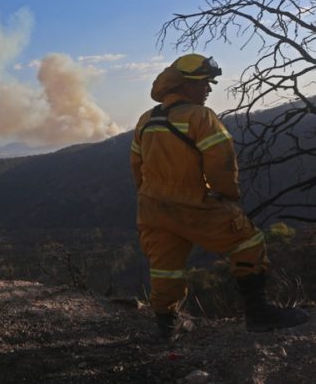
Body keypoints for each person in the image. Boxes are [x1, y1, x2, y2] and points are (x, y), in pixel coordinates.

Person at [130, 53, 309, 338]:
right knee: (248, 241)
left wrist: (149, 195)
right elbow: (221, 163)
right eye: (205, 83)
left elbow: (137, 166)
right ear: (187, 85)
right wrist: (228, 197)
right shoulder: (201, 117)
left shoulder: (146, 120)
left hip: (151, 206)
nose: (209, 89)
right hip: (192, 203)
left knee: (165, 266)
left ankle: (167, 325)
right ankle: (258, 312)